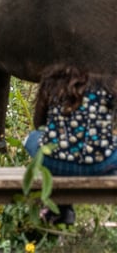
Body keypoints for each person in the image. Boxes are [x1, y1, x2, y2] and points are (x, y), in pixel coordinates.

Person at [25, 63, 117, 227]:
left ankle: (58, 210)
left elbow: (39, 124)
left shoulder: (52, 81)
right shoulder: (107, 85)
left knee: (33, 137)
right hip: (98, 165)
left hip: (53, 162)